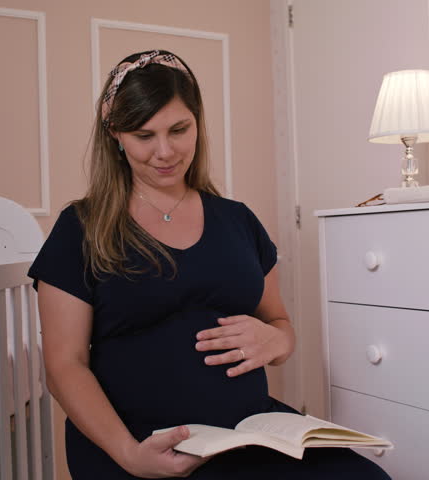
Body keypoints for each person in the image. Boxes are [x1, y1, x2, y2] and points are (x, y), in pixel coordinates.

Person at [27, 50, 390, 479]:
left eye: (179, 129)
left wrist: (278, 342)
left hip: (245, 433)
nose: (164, 151)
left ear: (198, 121)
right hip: (138, 443)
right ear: (115, 135)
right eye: (144, 135)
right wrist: (130, 454)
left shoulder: (238, 220)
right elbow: (64, 365)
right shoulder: (81, 227)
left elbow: (278, 322)